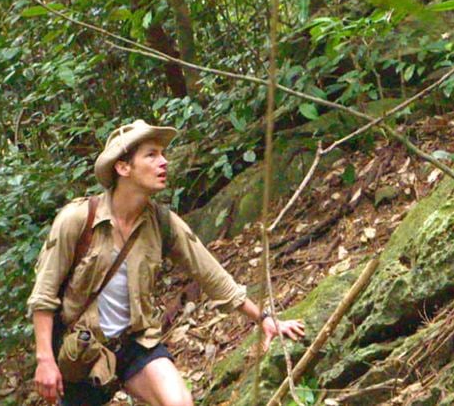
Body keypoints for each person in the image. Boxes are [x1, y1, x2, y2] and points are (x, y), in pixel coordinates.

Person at [27, 120, 305, 405]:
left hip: (135, 344)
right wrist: (45, 360)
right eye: (151, 155)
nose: (164, 162)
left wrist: (265, 319)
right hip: (81, 352)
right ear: (123, 168)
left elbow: (212, 276)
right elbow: (43, 296)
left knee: (181, 402)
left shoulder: (162, 223)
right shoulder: (77, 220)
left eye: (163, 153)